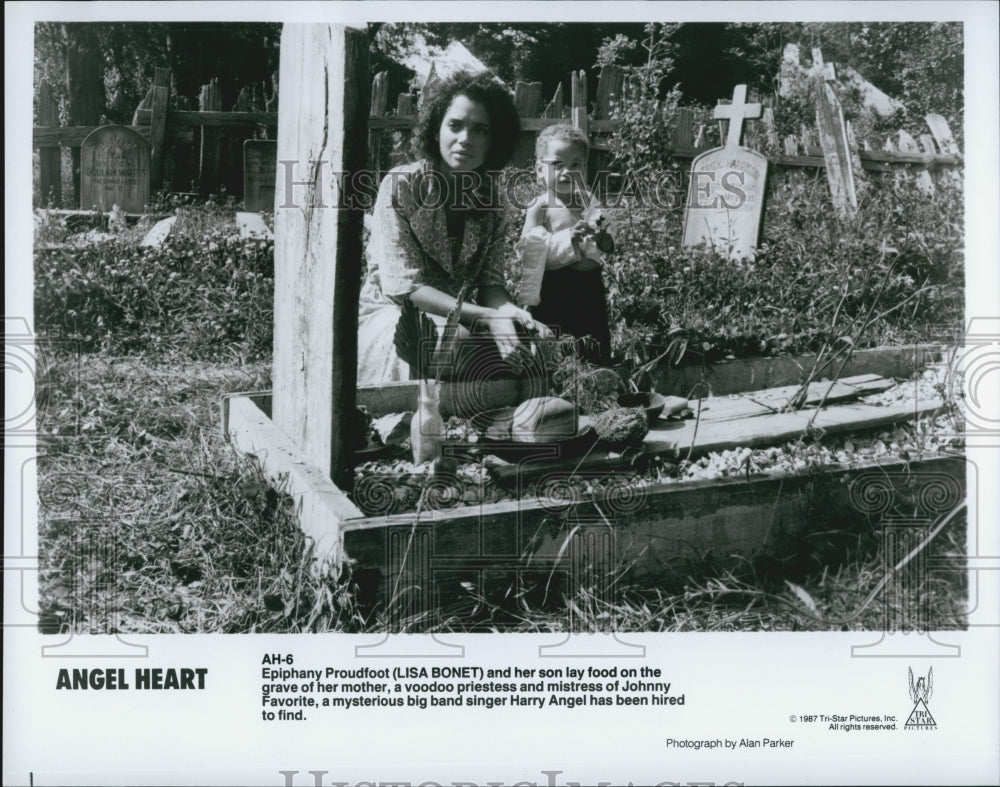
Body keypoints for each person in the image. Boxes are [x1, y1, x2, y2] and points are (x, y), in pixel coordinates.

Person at [357, 71, 548, 385]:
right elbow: (408, 290)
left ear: (493, 140)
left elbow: (491, 283)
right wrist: (489, 317)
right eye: (455, 125)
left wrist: (509, 311)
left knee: (532, 343)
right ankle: (404, 421)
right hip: (392, 318)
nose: (465, 139)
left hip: (460, 319)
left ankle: (507, 424)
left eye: (480, 130)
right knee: (451, 341)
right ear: (436, 131)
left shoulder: (493, 202)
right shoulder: (401, 186)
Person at [517, 123, 615, 365]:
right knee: (558, 341)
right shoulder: (541, 206)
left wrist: (604, 239)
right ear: (540, 170)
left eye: (576, 166)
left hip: (590, 285)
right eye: (557, 165)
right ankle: (560, 383)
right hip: (556, 286)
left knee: (594, 339)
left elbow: (609, 241)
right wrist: (568, 238)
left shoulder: (589, 201)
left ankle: (596, 379)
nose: (567, 173)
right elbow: (528, 248)